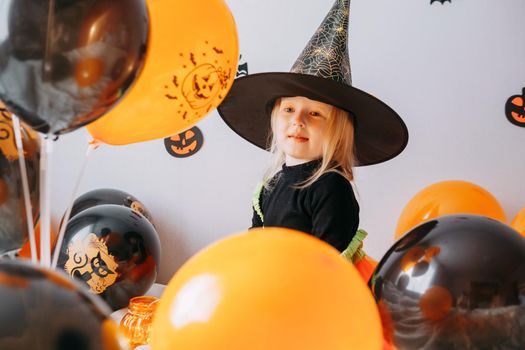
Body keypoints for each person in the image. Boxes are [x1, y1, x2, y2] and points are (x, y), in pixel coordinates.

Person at [218, 0, 408, 265]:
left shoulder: (330, 188)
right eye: (289, 109)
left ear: (338, 132)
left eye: (315, 113)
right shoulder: (269, 185)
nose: (298, 120)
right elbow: (257, 244)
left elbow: (327, 264)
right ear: (274, 118)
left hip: (315, 291)